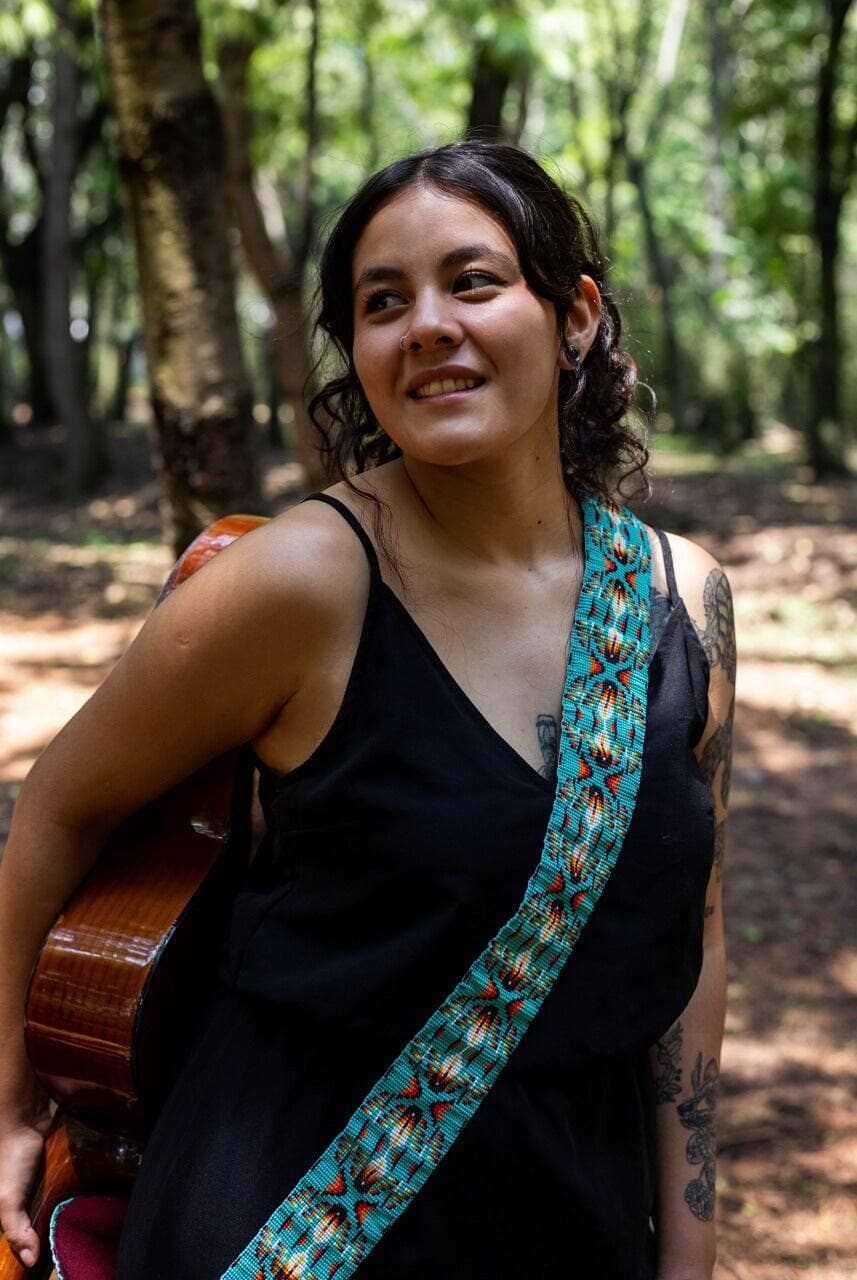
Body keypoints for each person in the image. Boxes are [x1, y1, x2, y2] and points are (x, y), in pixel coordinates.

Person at [0, 139, 734, 1280]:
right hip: (299, 1224)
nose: (427, 325)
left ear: (576, 318)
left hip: (574, 1221)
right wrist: (8, 1101)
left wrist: (687, 1248)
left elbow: (695, 929)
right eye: (382, 302)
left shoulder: (684, 601)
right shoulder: (300, 580)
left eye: (472, 281)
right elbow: (56, 810)